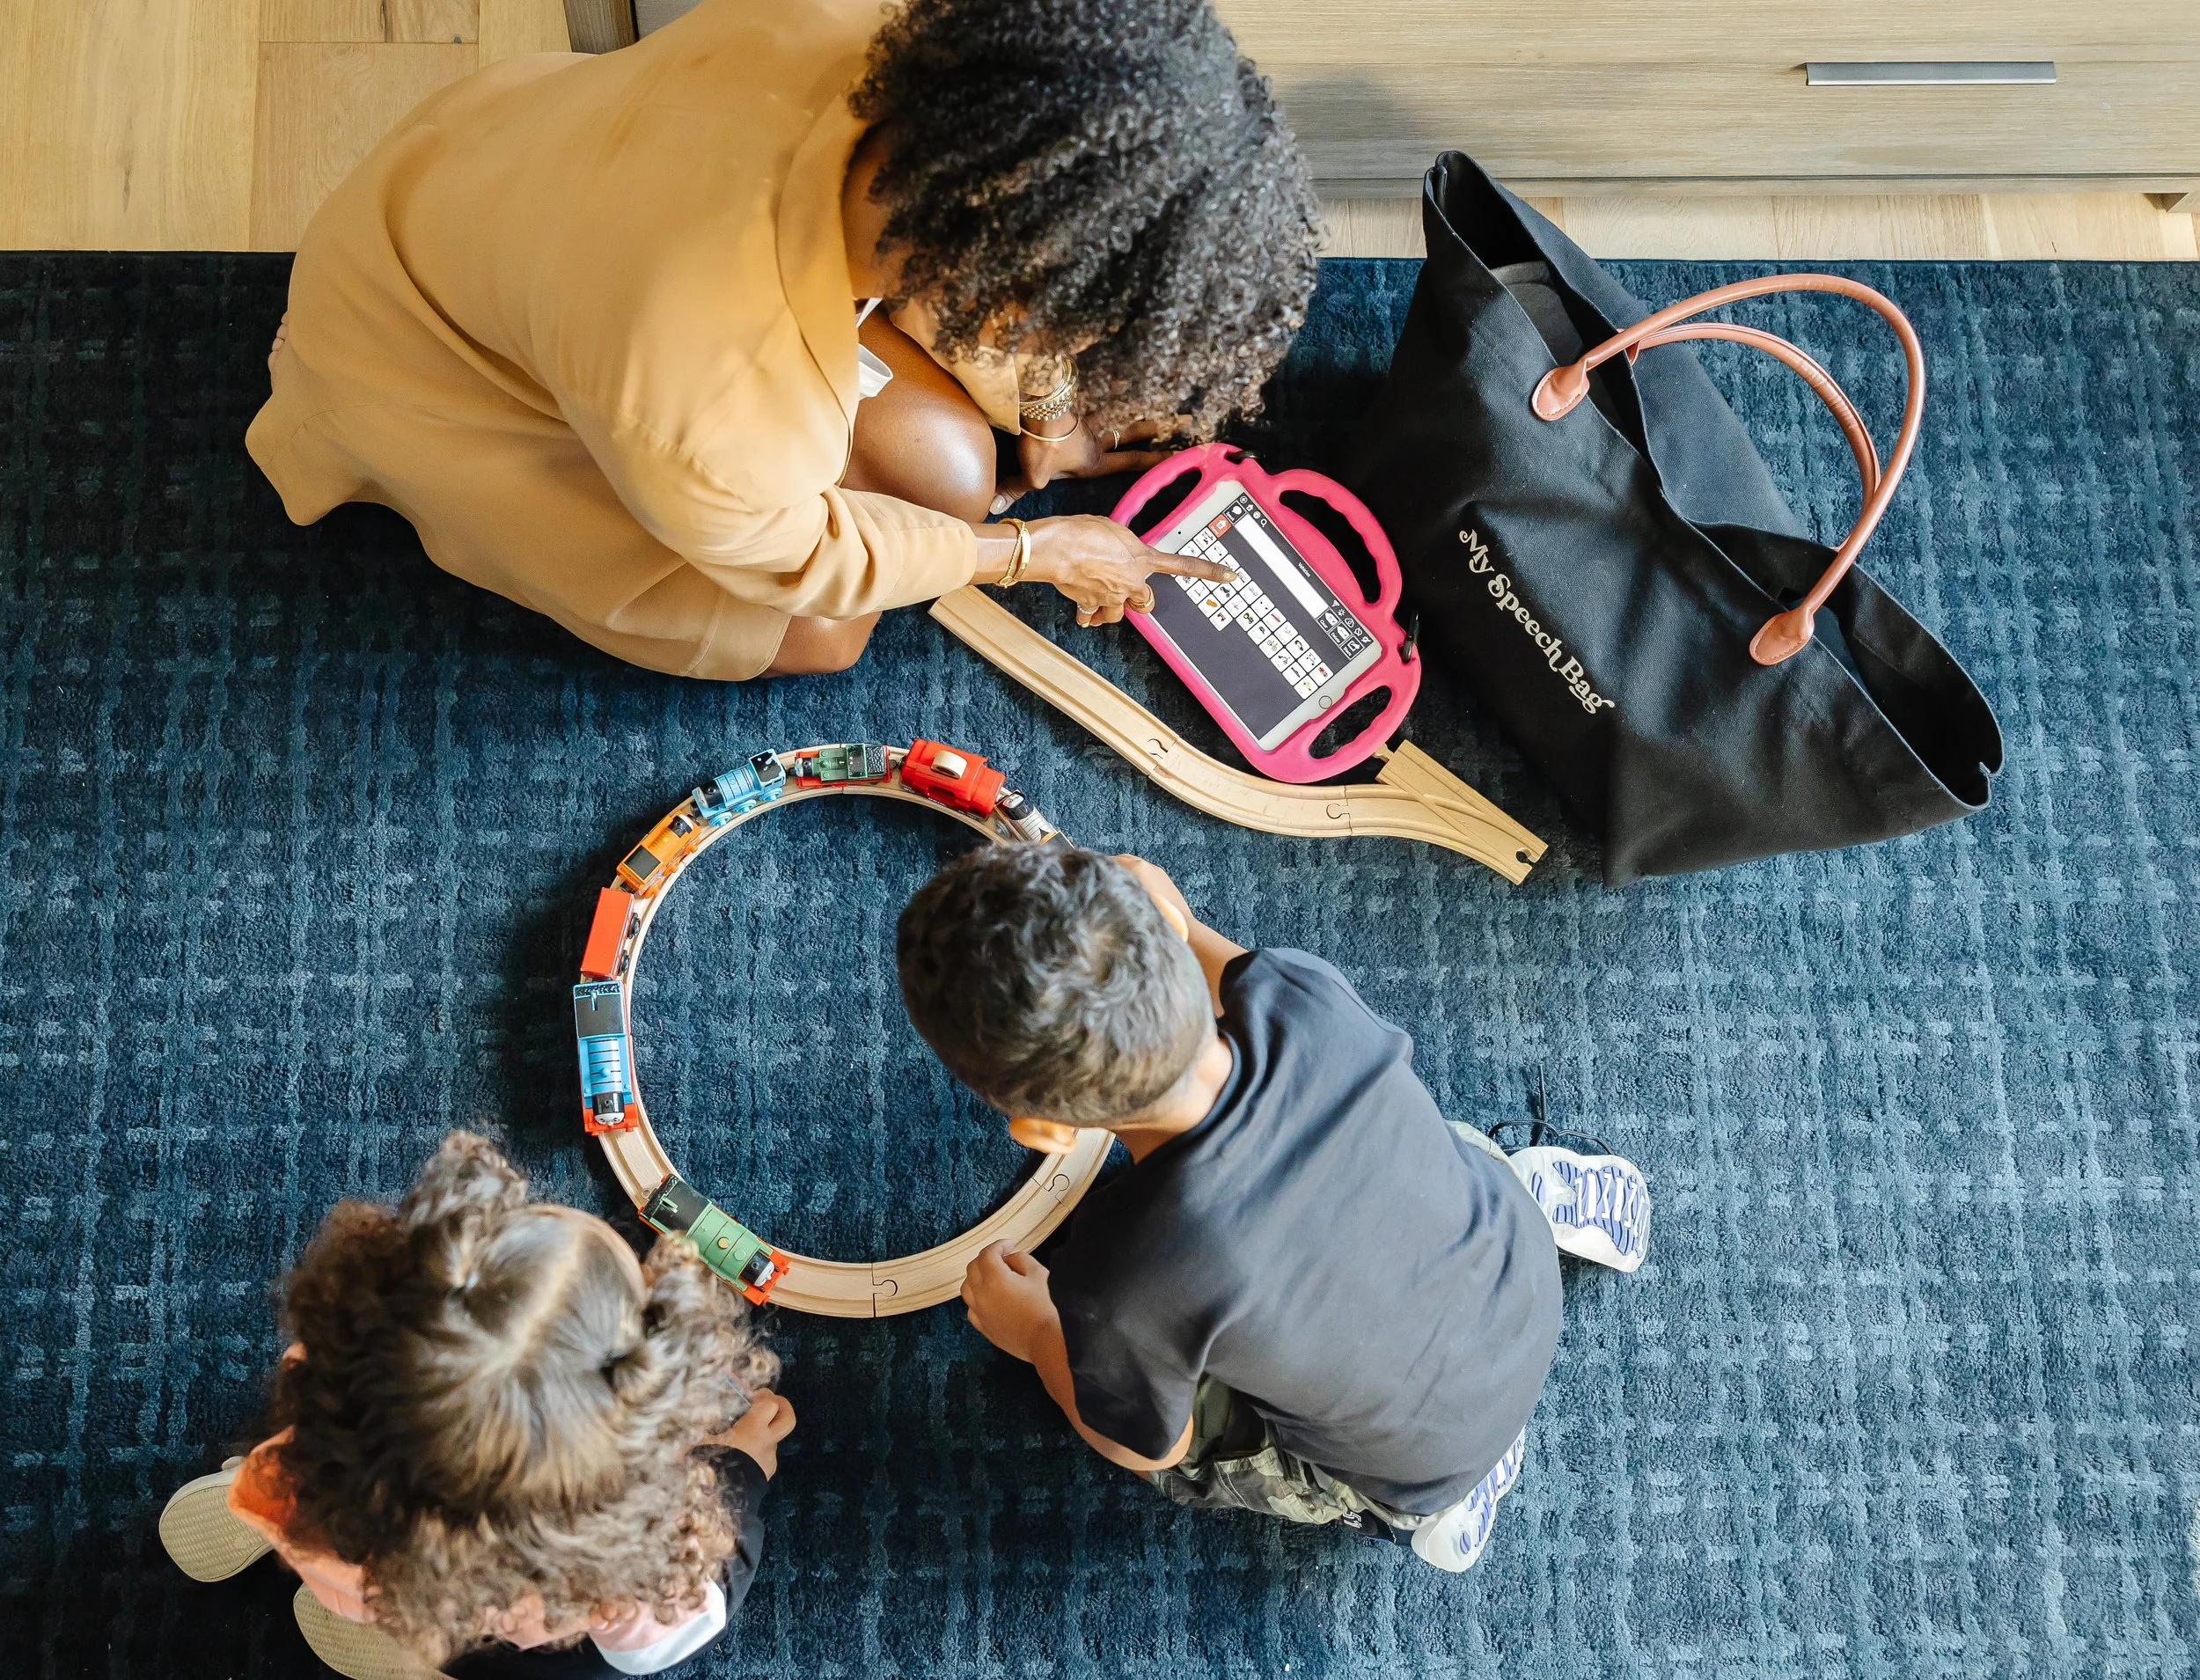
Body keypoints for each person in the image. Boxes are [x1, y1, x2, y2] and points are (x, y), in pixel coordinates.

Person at [249, 0, 1321, 680]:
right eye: (1077, 339)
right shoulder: (699, 400)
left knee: (945, 471)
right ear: (1004, 283)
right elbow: (804, 564)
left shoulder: (896, 42)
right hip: (431, 373)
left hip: (488, 181)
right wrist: (1035, 552)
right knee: (831, 637)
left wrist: (1045, 406)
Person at [895, 846, 1652, 1571]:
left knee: (1192, 1442)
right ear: (1160, 915)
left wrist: (1033, 1329)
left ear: (1049, 1133)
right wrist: (1174, 924)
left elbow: (1150, 1446)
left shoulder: (1118, 1277)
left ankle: (1429, 1504)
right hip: (1521, 1275)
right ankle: (1537, 1190)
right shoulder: (1301, 996)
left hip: (1421, 1467)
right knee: (1427, 1139)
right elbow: (1198, 948)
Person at [157, 1133, 794, 1678]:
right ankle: (412, 1653)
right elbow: (657, 1641)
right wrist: (739, 1468)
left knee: (299, 1467)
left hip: (330, 1524)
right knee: (575, 1662)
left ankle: (249, 1498)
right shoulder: (600, 1576)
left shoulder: (337, 1368)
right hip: (446, 1605)